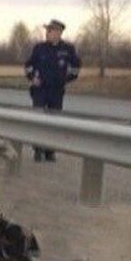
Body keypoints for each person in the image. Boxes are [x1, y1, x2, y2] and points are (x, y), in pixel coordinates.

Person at [24, 19, 81, 161]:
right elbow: (28, 65)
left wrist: (67, 79)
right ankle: (38, 150)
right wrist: (32, 78)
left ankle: (50, 151)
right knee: (38, 119)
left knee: (54, 121)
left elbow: (76, 66)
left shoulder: (67, 49)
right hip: (40, 90)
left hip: (56, 91)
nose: (48, 33)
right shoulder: (39, 48)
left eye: (51, 30)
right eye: (47, 30)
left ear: (59, 32)